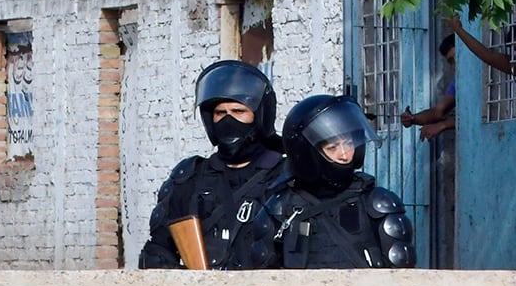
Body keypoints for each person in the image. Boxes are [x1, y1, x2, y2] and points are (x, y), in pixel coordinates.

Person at [139, 60, 285, 270]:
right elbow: (157, 252)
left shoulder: (284, 177)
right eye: (220, 113)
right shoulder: (189, 178)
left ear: (259, 116)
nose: (229, 120)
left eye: (238, 111)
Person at [267, 95, 414, 269]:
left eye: (349, 143)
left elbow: (403, 280)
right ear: (307, 153)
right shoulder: (280, 208)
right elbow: (260, 284)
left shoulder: (378, 204)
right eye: (332, 147)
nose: (344, 155)